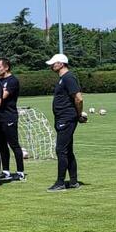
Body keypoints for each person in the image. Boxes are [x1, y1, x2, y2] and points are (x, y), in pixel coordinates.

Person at [47, 53, 86, 191]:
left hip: (66, 118)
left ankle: (60, 182)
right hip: (62, 118)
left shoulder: (68, 78)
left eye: (54, 63)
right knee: (67, 150)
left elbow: (79, 98)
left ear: (61, 64)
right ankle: (74, 182)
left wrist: (79, 114)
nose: (51, 65)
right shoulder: (63, 78)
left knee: (61, 150)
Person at [0, 58, 25, 182]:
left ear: (6, 67)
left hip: (9, 116)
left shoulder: (12, 81)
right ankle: (6, 171)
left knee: (14, 144)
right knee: (1, 145)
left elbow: (3, 96)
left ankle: (20, 172)